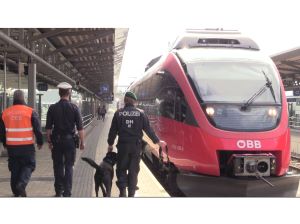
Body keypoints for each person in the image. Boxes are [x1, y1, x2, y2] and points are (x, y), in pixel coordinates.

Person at [107, 91, 163, 197]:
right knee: (133, 170)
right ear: (134, 102)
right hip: (136, 147)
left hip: (123, 146)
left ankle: (122, 191)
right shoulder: (141, 113)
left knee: (121, 168)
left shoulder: (118, 113)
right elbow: (148, 130)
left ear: (125, 101)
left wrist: (110, 144)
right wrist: (158, 142)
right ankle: (131, 194)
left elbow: (112, 131)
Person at [0, 90, 43, 197]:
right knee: (29, 165)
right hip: (27, 146)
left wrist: (5, 144)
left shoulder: (5, 113)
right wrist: (40, 142)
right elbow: (38, 129)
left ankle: (15, 191)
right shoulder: (30, 112)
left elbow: (1, 132)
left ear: (13, 99)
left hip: (11, 147)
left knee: (15, 168)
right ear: (23, 98)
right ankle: (21, 185)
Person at [46, 82, 85, 197]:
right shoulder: (74, 108)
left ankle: (58, 191)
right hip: (70, 142)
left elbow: (48, 129)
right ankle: (67, 192)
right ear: (69, 92)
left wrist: (49, 142)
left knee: (58, 166)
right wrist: (82, 142)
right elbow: (80, 128)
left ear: (59, 93)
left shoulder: (52, 108)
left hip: (57, 142)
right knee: (69, 166)